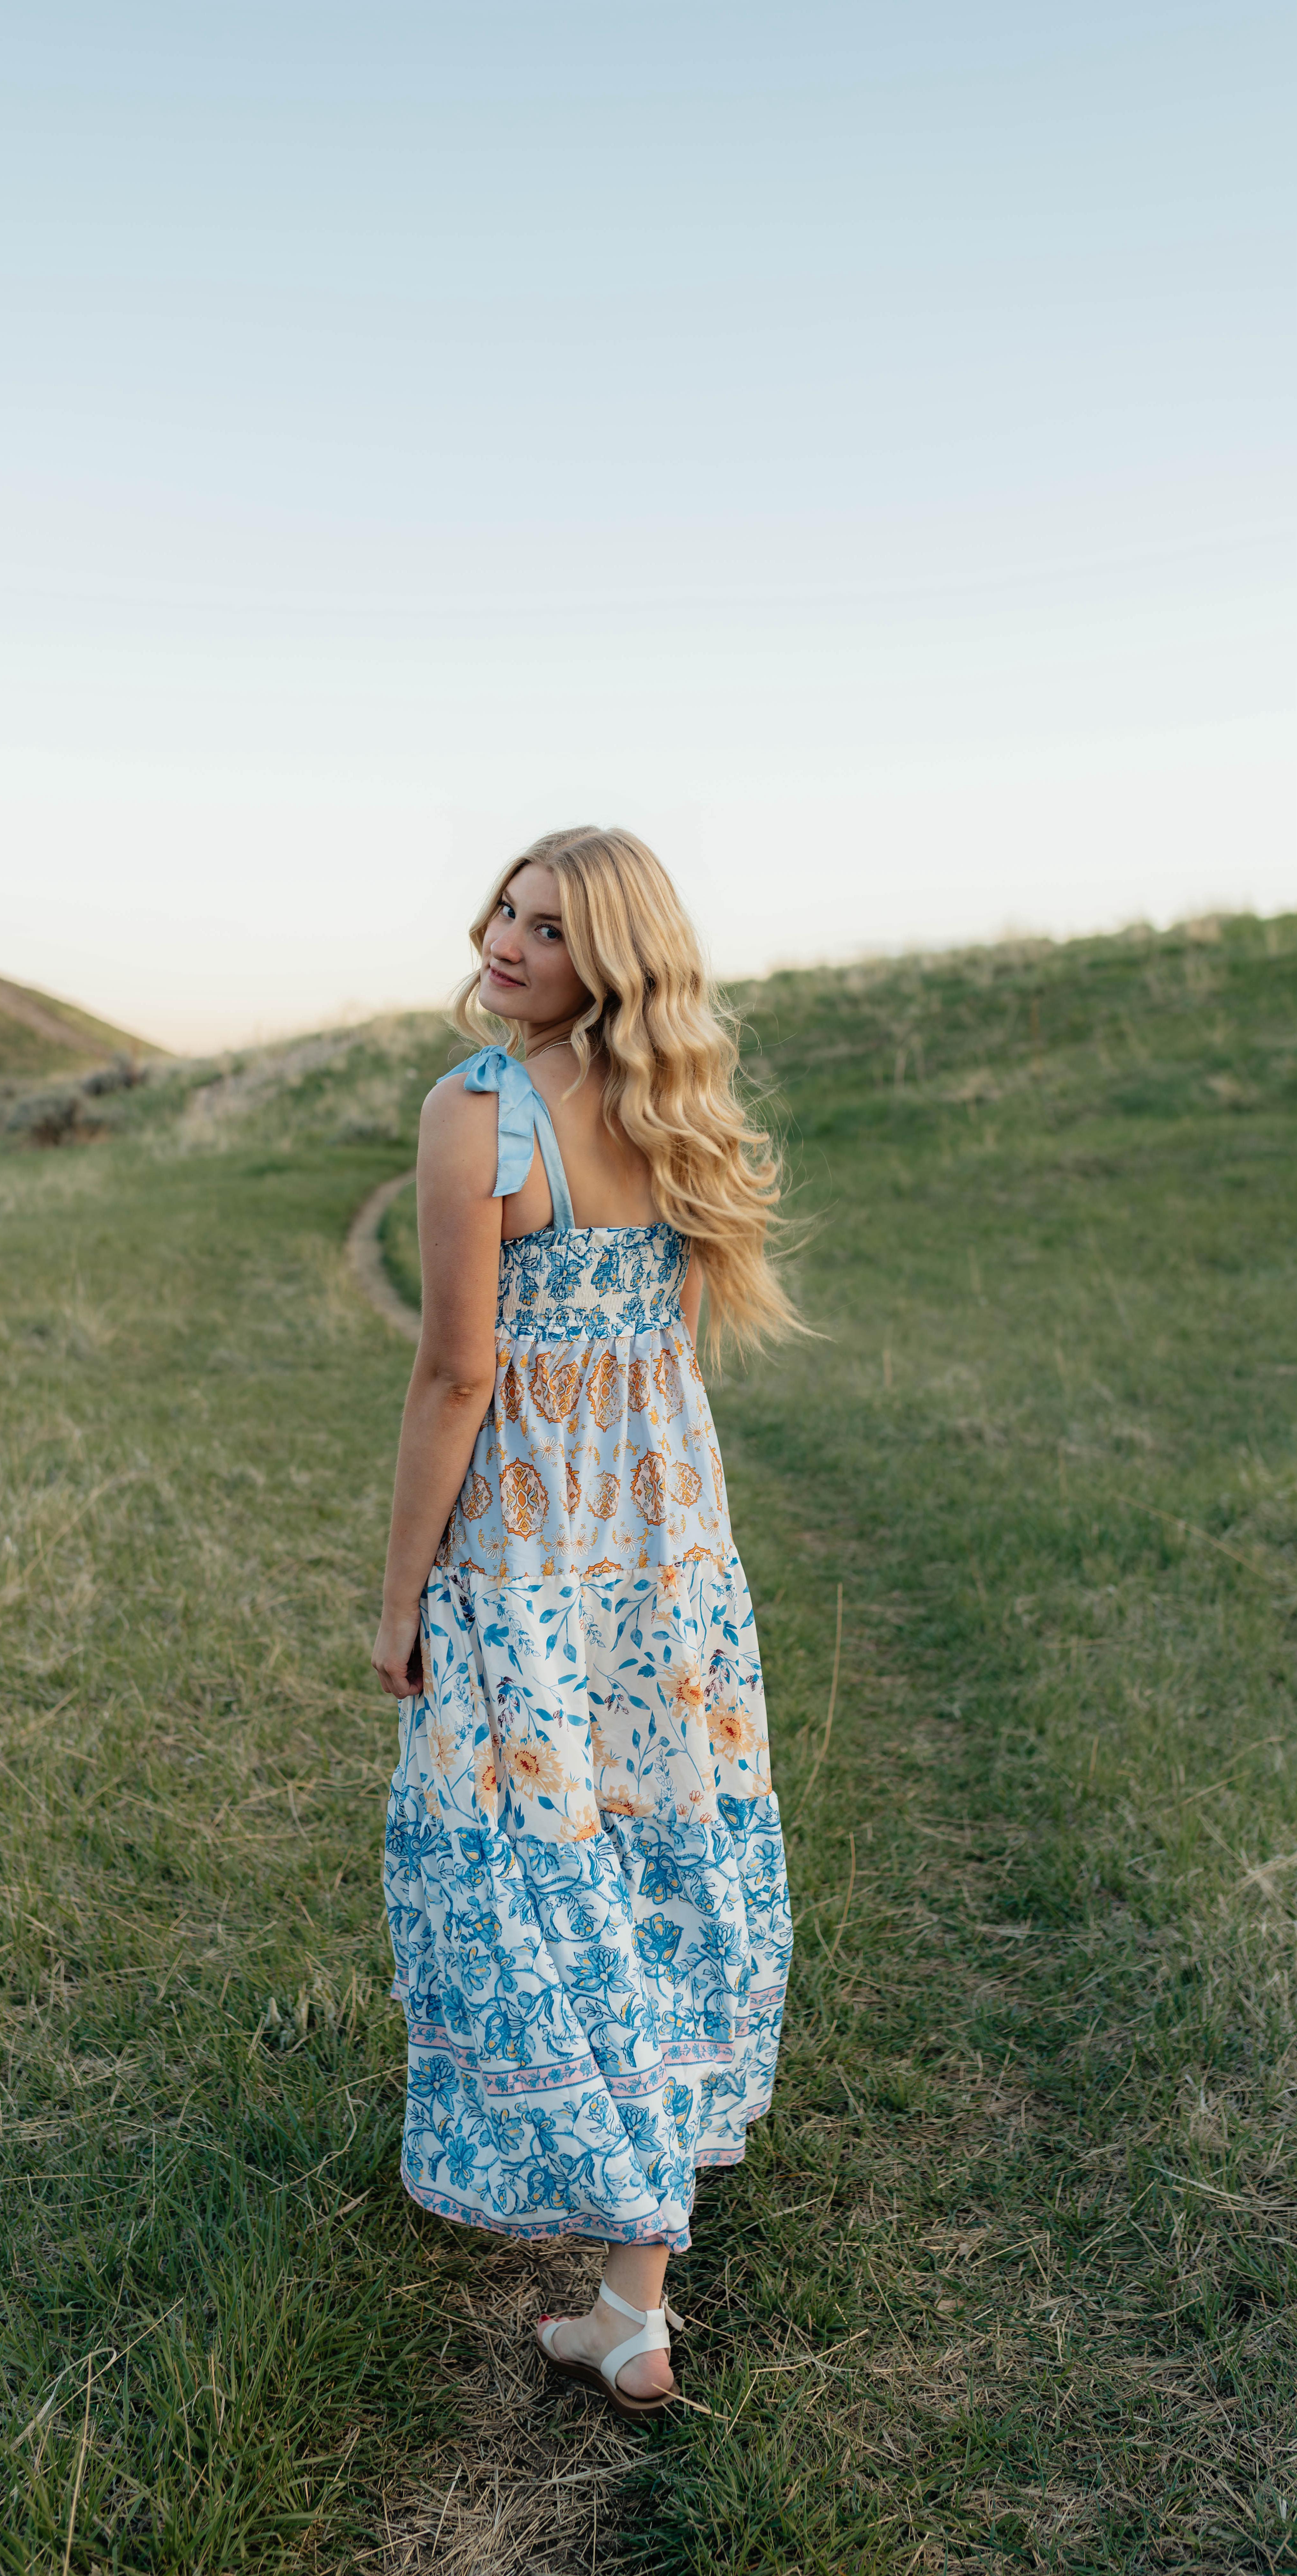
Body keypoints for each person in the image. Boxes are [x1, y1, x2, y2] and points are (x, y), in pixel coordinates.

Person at [372, 826, 798, 2417]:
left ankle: (624, 2213)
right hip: (667, 1549)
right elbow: (666, 1344)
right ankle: (635, 2298)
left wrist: (405, 1590)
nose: (505, 940)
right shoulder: (673, 1108)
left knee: (534, 1871)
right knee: (667, 1849)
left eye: (549, 930)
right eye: (506, 906)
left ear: (606, 960)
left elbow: (459, 1374)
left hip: (532, 1554)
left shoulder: (475, 1112)